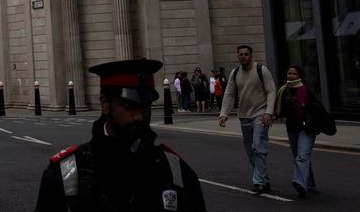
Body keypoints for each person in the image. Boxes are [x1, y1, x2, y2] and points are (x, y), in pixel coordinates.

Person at [35, 59, 206, 211]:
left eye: (144, 106)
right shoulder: (67, 174)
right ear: (104, 103)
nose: (139, 116)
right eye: (128, 106)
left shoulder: (175, 171)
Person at [219, 45, 277, 193]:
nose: (243, 56)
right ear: (237, 56)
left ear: (251, 55)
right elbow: (229, 94)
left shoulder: (261, 70)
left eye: (246, 54)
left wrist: (269, 112)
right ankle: (264, 179)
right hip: (244, 116)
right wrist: (224, 114)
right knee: (249, 150)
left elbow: (271, 91)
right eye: (241, 54)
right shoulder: (235, 72)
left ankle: (258, 181)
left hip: (261, 113)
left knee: (258, 146)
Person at [274, 65, 318, 198]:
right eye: (289, 73)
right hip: (292, 129)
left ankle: (300, 183)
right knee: (299, 157)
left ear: (299, 76)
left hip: (306, 129)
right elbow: (280, 110)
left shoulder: (305, 90)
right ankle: (310, 183)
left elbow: (317, 108)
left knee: (302, 156)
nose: (291, 76)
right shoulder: (283, 91)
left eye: (294, 74)